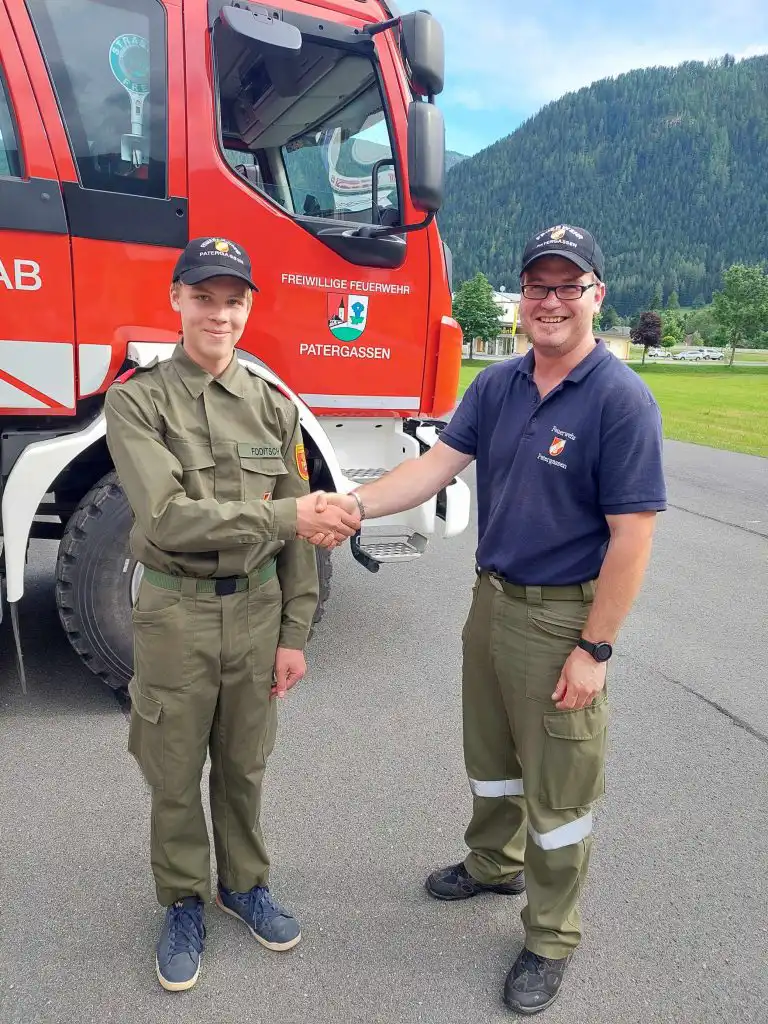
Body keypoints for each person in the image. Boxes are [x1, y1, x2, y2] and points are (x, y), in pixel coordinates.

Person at [320, 225, 666, 1014]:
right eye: (538, 286)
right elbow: (433, 467)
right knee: (492, 758)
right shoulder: (498, 385)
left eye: (568, 286)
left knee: (559, 790)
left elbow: (633, 538)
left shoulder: (620, 400)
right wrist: (355, 505)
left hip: (563, 617)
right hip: (493, 602)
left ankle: (550, 935)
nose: (550, 301)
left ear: (596, 296)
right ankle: (492, 864)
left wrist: (595, 648)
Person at [105, 236, 360, 992]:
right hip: (176, 612)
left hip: (256, 611)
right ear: (176, 300)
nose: (219, 314)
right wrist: (284, 515)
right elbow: (168, 516)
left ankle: (243, 885)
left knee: (245, 764)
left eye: (233, 301)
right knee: (174, 767)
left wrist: (294, 633)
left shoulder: (275, 407)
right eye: (204, 298)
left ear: (249, 309)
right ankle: (183, 900)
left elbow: (303, 536)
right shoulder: (137, 401)